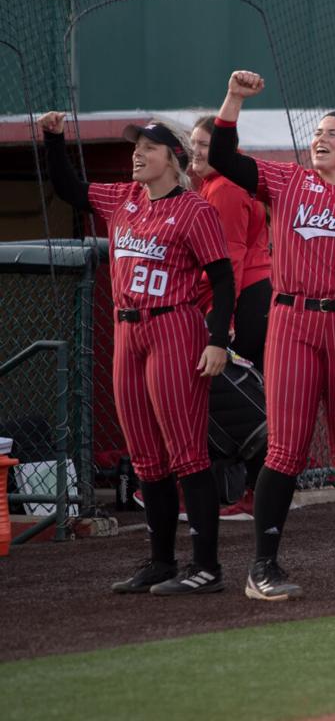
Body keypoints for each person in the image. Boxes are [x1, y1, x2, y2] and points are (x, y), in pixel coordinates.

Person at [207, 70, 335, 601]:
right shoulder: (288, 181)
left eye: (333, 133)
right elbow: (223, 158)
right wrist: (233, 99)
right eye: (318, 132)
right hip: (294, 323)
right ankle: (263, 566)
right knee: (285, 449)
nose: (321, 138)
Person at [42, 111, 233, 596]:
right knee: (146, 457)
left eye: (147, 147)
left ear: (173, 158)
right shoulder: (122, 199)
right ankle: (161, 561)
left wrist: (217, 340)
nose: (136, 154)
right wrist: (53, 137)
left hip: (175, 327)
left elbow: (224, 279)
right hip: (128, 333)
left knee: (187, 453)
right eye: (135, 147)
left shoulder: (194, 209)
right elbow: (68, 188)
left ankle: (206, 566)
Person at [189, 115, 274, 522]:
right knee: (249, 397)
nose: (196, 152)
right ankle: (254, 491)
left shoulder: (223, 188)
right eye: (193, 144)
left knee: (246, 399)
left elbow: (230, 259)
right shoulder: (212, 186)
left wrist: (222, 318)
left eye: (204, 144)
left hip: (247, 299)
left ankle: (258, 492)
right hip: (251, 296)